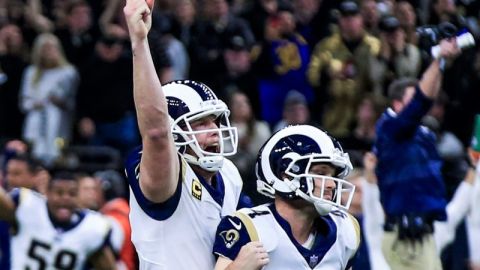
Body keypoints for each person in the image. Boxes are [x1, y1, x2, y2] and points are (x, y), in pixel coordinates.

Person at [123, 0, 246, 269]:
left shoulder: (229, 174)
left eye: (214, 121)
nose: (214, 130)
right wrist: (140, 42)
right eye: (200, 123)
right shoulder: (165, 174)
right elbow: (156, 132)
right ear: (174, 132)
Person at [213, 125, 359, 269]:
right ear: (286, 176)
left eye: (333, 176)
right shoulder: (248, 228)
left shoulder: (344, 230)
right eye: (321, 173)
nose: (332, 184)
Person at [373, 37, 461, 269]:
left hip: (422, 235)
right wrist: (437, 59)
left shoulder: (419, 132)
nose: (423, 103)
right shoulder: (389, 129)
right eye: (413, 99)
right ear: (398, 104)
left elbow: (427, 96)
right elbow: (422, 101)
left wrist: (442, 63)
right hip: (405, 238)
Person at [0, 172, 116, 269]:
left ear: (78, 197)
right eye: (59, 193)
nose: (65, 198)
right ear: (48, 193)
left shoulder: (92, 228)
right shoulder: (27, 206)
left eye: (72, 194)